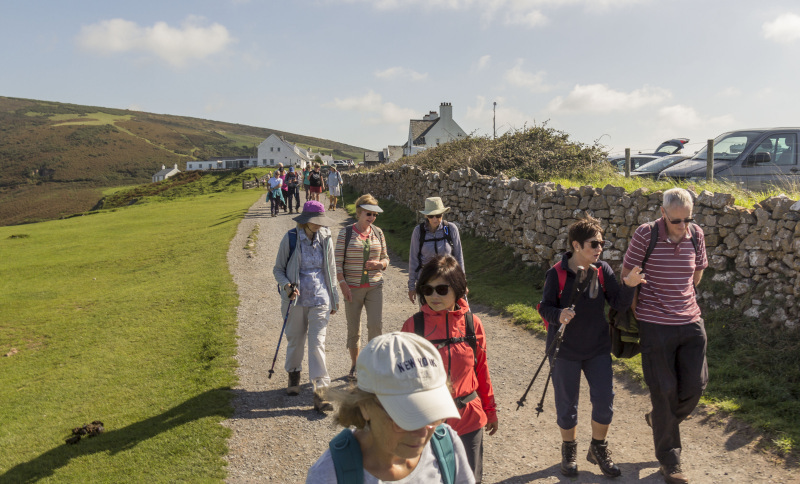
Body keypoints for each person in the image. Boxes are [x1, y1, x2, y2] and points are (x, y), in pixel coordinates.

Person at [538, 217, 645, 478]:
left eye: (602, 243)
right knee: (567, 405)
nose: (599, 248)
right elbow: (544, 307)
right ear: (576, 245)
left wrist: (629, 286)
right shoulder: (557, 274)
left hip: (597, 348)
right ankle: (569, 450)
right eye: (594, 243)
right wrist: (558, 315)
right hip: (565, 351)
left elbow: (618, 304)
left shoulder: (603, 270)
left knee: (605, 402)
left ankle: (598, 448)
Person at [306, 332, 475, 484]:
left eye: (431, 414)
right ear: (364, 406)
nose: (423, 433)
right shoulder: (329, 476)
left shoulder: (447, 445)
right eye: (406, 418)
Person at [621, 188, 708, 484]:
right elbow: (628, 276)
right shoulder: (646, 235)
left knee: (696, 386)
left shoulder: (696, 234)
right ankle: (670, 461)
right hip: (654, 324)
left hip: (691, 321)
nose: (683, 226)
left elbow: (697, 273)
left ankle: (660, 418)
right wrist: (640, 314)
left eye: (688, 219)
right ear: (663, 214)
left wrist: (684, 299)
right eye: (677, 221)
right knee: (664, 390)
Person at [400, 255, 497, 484]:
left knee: (469, 479)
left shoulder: (473, 325)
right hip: (428, 423)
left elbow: (481, 370)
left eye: (442, 289)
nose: (433, 296)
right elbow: (402, 380)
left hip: (469, 419)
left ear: (458, 290)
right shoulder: (413, 326)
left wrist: (490, 410)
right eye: (427, 289)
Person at [272, 200, 339, 412]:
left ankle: (321, 391)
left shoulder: (326, 237)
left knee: (317, 343)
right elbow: (278, 270)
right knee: (295, 340)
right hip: (296, 300)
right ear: (306, 221)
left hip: (320, 299)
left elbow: (331, 269)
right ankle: (294, 374)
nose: (319, 225)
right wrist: (287, 286)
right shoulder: (291, 238)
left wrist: (334, 298)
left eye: (321, 221)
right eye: (315, 222)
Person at [335, 194, 390, 381]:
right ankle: (355, 364)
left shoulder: (378, 232)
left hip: (375, 286)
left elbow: (386, 258)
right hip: (352, 287)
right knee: (354, 328)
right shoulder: (346, 233)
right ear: (359, 212)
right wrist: (343, 285)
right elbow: (337, 263)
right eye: (368, 213)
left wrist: (380, 265)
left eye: (374, 214)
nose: (372, 217)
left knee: (375, 325)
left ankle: (373, 366)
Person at [408, 197, 465, 304]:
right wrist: (411, 286)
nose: (435, 219)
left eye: (438, 215)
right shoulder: (418, 232)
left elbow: (459, 257)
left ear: (443, 214)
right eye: (431, 216)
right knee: (428, 318)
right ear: (426, 216)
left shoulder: (451, 229)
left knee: (449, 316)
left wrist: (463, 283)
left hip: (449, 281)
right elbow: (413, 260)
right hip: (426, 282)